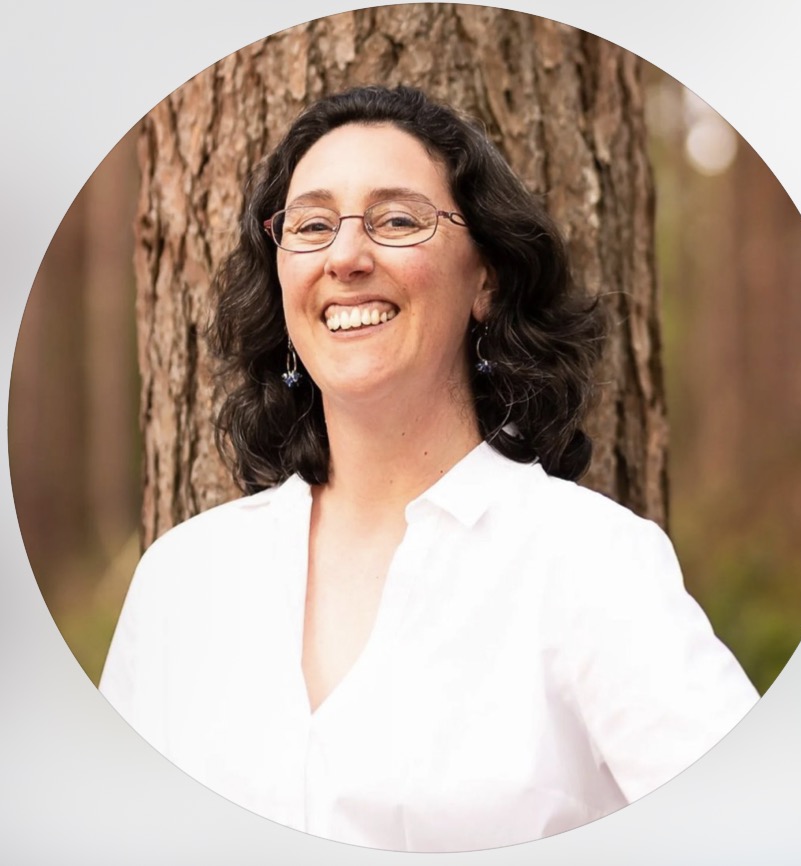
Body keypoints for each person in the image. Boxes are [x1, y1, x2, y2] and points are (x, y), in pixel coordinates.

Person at [100, 84, 758, 852]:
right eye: (312, 225)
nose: (346, 255)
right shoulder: (182, 579)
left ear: (486, 279)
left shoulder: (589, 564)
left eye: (398, 219)